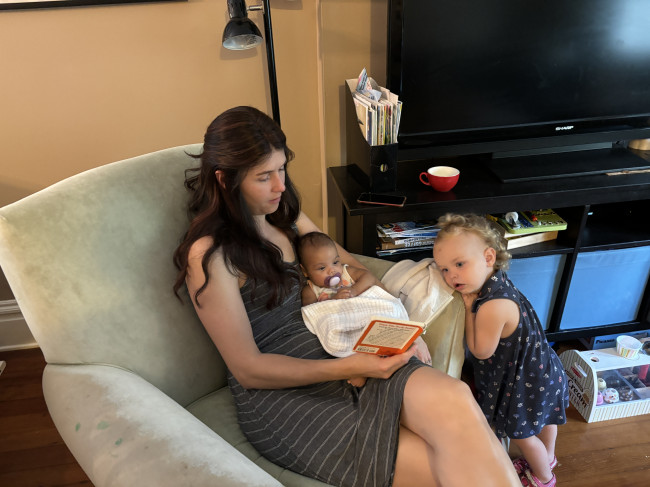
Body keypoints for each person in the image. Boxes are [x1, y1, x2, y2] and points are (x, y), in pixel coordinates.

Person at [173, 106, 520, 487]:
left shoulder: (283, 214)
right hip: (284, 393)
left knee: (456, 398)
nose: (280, 186)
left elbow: (347, 267)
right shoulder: (209, 255)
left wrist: (394, 323)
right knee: (440, 468)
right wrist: (353, 366)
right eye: (263, 176)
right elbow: (248, 369)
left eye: (281, 170)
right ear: (225, 180)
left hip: (339, 339)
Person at [432, 213, 569, 487]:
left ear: (488, 257)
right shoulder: (499, 282)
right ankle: (549, 456)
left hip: (523, 383)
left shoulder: (491, 306)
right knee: (546, 418)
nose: (451, 275)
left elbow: (480, 351)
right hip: (544, 369)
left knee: (522, 435)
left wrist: (470, 309)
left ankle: (544, 477)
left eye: (459, 264)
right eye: (444, 269)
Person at [297, 231, 378, 305]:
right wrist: (334, 300)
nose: (332, 270)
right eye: (322, 268)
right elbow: (310, 312)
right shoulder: (310, 291)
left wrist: (354, 290)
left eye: (335, 262)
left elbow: (369, 277)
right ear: (305, 271)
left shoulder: (346, 272)